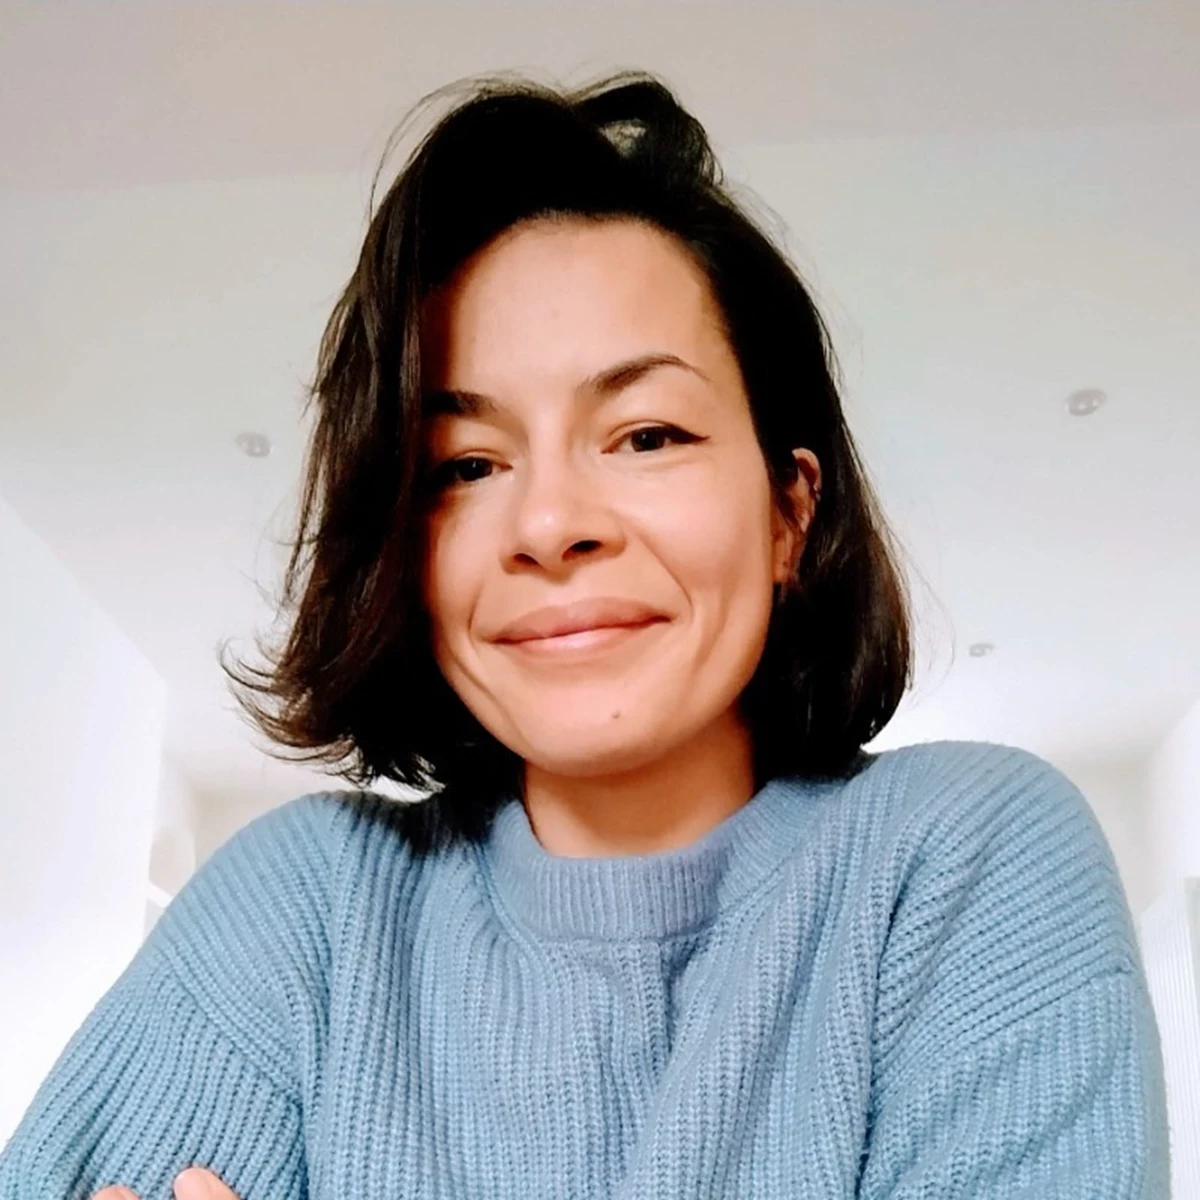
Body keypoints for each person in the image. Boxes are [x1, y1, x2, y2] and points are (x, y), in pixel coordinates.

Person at [0, 69, 1169, 1199]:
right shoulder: (300, 908)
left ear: (788, 510)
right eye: (465, 464)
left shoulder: (966, 863)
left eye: (647, 434)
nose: (549, 524)